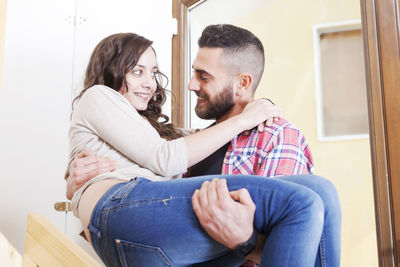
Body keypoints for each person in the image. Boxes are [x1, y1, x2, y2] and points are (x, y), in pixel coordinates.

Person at [68, 25, 341, 266]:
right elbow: (166, 158)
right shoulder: (99, 98)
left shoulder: (272, 136)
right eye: (137, 71)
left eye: (204, 76)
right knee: (302, 200)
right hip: (135, 228)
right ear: (112, 70)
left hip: (184, 248)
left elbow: (291, 242)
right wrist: (73, 183)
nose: (151, 84)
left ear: (242, 83)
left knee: (322, 190)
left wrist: (245, 241)